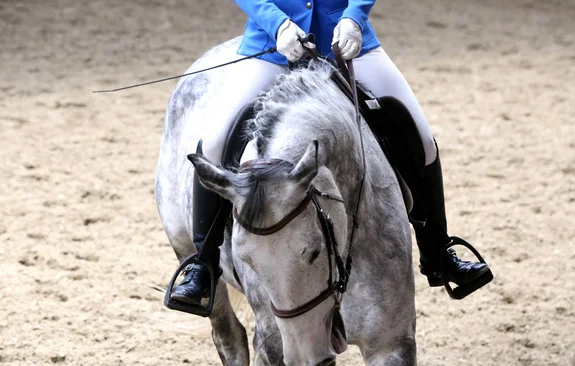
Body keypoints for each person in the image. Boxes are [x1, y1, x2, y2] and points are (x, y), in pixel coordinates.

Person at [169, 0, 492, 311]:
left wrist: (353, 18)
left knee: (422, 140)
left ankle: (438, 251)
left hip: (348, 42)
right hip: (273, 45)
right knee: (213, 143)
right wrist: (278, 25)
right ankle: (203, 266)